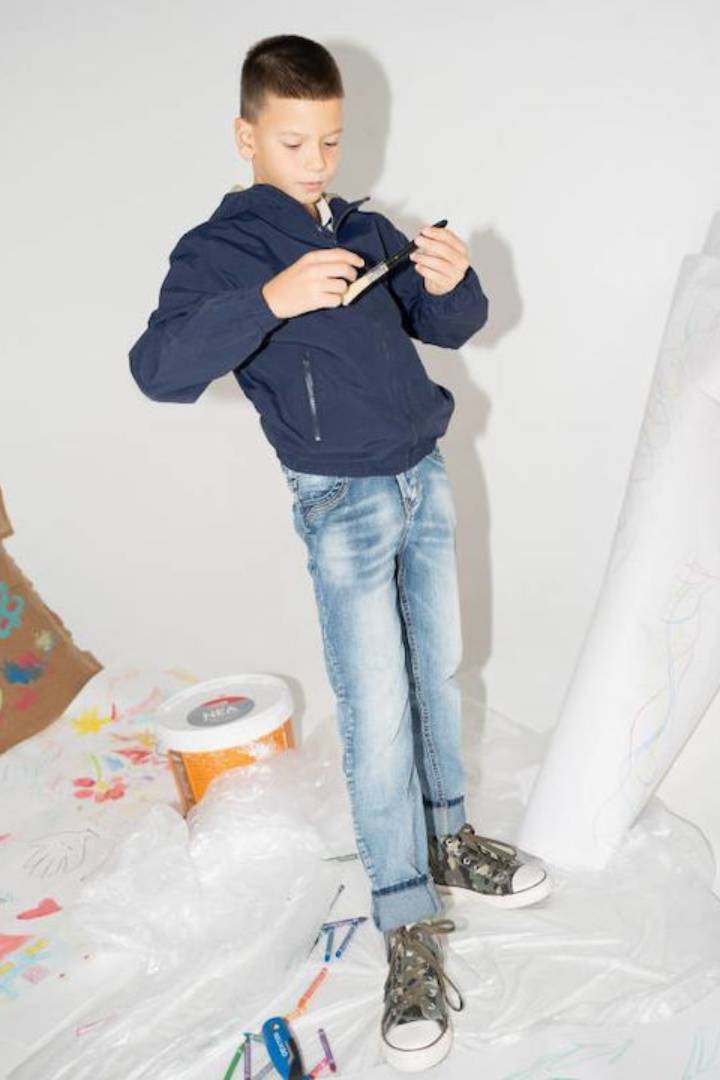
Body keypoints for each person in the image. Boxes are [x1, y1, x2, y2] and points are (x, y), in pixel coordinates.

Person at [128, 32, 552, 1073]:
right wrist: (271, 301)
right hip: (341, 503)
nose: (316, 163)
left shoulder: (362, 225)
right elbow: (158, 367)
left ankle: (447, 841)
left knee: (437, 672)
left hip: (422, 477)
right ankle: (406, 919)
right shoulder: (223, 251)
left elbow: (446, 324)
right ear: (246, 136)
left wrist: (454, 279)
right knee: (377, 708)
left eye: (330, 141)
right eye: (293, 143)